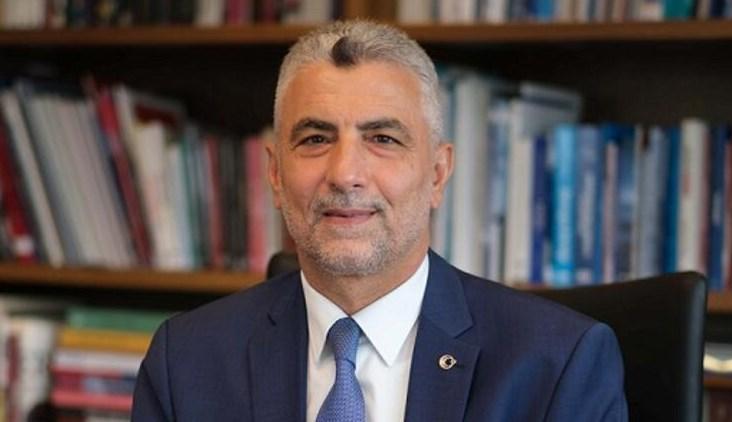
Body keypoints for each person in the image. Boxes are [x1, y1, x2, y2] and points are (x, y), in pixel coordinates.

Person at [132, 20, 627, 422]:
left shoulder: (556, 365)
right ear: (276, 175)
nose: (345, 173)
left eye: (383, 139)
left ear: (437, 174)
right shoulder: (186, 361)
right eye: (315, 139)